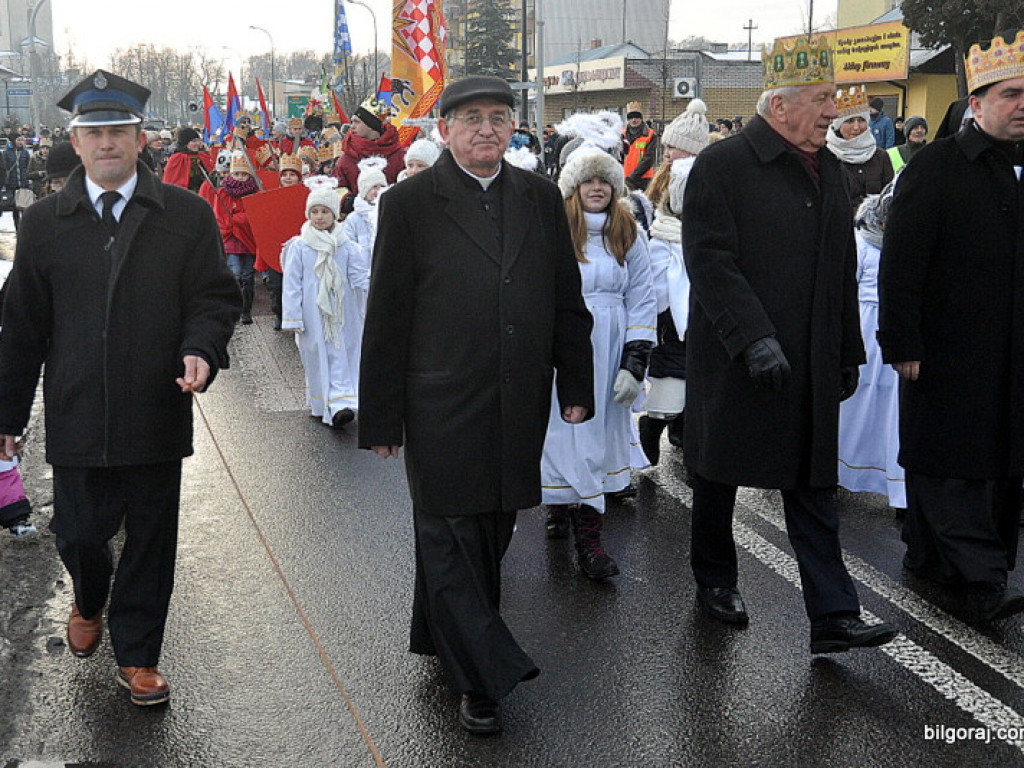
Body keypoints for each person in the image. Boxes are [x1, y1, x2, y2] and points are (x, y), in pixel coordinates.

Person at [358, 76, 594, 735]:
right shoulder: (409, 204)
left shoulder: (540, 198)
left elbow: (564, 299)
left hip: (517, 395)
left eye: (498, 117)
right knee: (449, 526)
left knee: (490, 527)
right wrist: (381, 416)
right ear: (445, 130)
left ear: (513, 127)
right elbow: (386, 316)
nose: (486, 128)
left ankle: (440, 633)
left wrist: (575, 385)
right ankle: (482, 676)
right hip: (438, 398)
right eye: (470, 119)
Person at [0, 70, 240, 706]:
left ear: (140, 140)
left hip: (156, 407)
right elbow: (22, 324)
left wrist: (201, 348)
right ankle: (87, 598)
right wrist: (8, 413)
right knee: (79, 534)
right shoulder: (47, 223)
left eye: (119, 132)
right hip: (76, 410)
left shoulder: (185, 216)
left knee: (151, 539)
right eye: (94, 133)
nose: (107, 143)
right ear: (75, 144)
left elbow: (214, 299)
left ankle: (138, 656)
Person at [682, 35, 898, 653]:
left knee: (811, 483)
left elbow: (839, 267)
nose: (834, 111)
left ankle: (833, 615)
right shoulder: (722, 166)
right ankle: (715, 579)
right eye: (824, 98)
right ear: (781, 107)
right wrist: (751, 337)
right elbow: (709, 260)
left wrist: (848, 351)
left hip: (809, 358)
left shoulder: (827, 167)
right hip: (736, 356)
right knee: (718, 474)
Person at [877, 30, 1024, 626]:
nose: (1023, 106)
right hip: (948, 349)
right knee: (952, 461)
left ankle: (931, 554)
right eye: (1012, 94)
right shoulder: (935, 167)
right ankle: (981, 581)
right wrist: (902, 339)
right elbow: (902, 261)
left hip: (1013, 352)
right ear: (978, 103)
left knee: (1002, 463)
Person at [540, 140, 656, 579]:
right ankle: (560, 504)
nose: (596, 188)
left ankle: (589, 536)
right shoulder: (555, 230)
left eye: (603, 180)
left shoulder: (627, 232)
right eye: (586, 179)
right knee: (565, 433)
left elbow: (643, 298)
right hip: (566, 345)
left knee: (599, 438)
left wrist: (635, 361)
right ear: (573, 186)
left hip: (610, 344)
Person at [637, 99, 710, 465]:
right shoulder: (669, 173)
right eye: (665, 145)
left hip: (692, 276)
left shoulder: (695, 174)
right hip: (669, 274)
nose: (665, 151)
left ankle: (679, 423)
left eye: (672, 146)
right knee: (674, 354)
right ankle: (659, 421)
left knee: (694, 359)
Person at [837, 184, 905, 510]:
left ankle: (900, 488)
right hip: (865, 331)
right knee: (856, 400)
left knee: (893, 409)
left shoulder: (908, 249)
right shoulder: (861, 244)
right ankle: (835, 468)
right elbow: (845, 289)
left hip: (892, 332)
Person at [282, 176, 367, 428]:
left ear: (335, 214)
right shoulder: (299, 245)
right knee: (317, 353)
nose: (319, 217)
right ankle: (322, 403)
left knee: (343, 350)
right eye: (315, 212)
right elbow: (293, 282)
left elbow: (359, 276)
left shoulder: (346, 246)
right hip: (313, 311)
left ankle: (341, 403)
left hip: (342, 310)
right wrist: (293, 315)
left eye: (325, 211)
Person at [204, 151, 260, 324]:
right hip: (230, 238)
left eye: (244, 174)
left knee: (248, 276)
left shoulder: (254, 192)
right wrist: (233, 222)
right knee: (235, 274)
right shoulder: (222, 192)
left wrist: (239, 219)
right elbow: (219, 215)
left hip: (247, 239)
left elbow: (254, 215)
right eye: (237, 174)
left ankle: (246, 310)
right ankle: (234, 309)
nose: (240, 177)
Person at [825, 86, 894, 209]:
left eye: (861, 120)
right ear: (838, 126)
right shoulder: (827, 157)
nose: (856, 127)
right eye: (850, 121)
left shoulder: (880, 156)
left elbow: (890, 196)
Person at [332, 96, 405, 193]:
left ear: (371, 125)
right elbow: (336, 191)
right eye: (352, 122)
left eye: (357, 122)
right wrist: (348, 200)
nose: (352, 127)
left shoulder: (399, 156)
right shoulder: (346, 159)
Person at [621, 101, 658, 191]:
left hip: (643, 179)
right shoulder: (621, 133)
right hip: (624, 178)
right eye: (631, 117)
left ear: (641, 118)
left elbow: (648, 159)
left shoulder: (650, 134)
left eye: (636, 116)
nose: (634, 120)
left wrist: (632, 177)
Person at [162, 127, 213, 193]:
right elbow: (171, 181)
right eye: (194, 141)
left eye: (199, 140)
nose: (198, 143)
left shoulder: (203, 156)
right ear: (185, 143)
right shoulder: (177, 158)